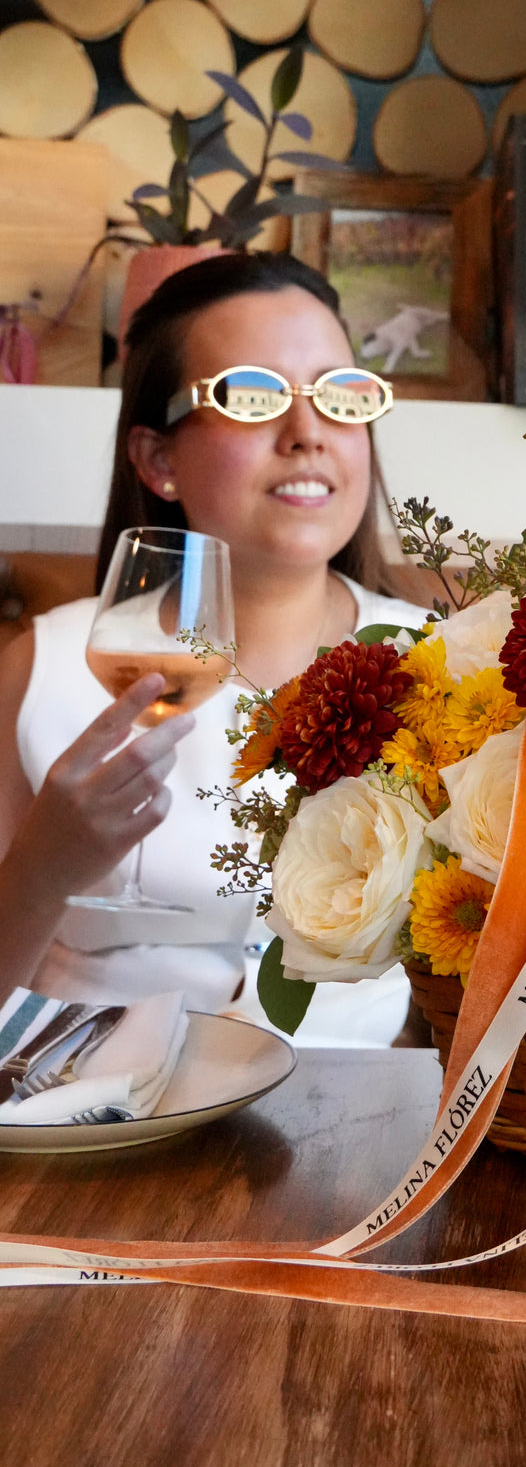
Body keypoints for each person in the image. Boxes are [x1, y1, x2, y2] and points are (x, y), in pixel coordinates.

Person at [0, 253, 425, 1035]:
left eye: (338, 395)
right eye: (253, 396)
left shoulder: (441, 667)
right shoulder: (44, 670)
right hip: (93, 1106)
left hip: (357, 1107)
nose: (307, 434)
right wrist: (42, 869)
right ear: (158, 459)